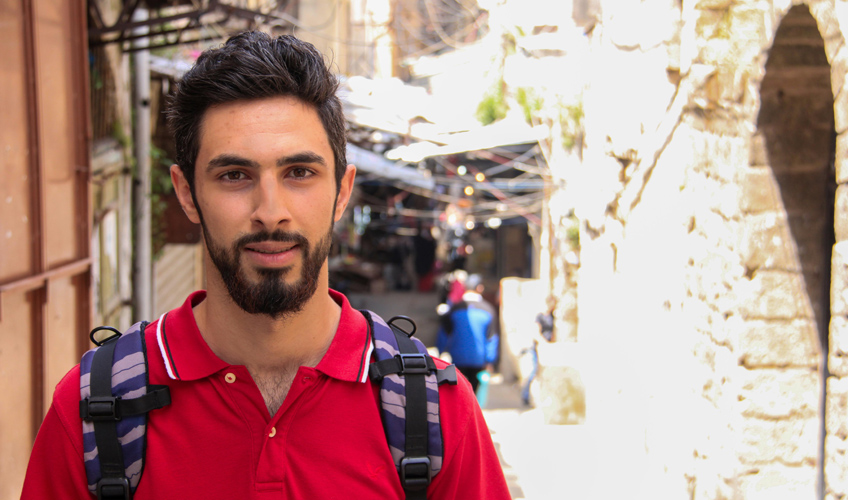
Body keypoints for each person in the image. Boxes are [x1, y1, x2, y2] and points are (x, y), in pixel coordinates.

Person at [21, 32, 510, 499]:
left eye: (299, 172)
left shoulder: (434, 413)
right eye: (235, 175)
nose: (270, 209)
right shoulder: (94, 412)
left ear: (341, 190)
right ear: (187, 194)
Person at [436, 274, 499, 393]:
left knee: (460, 392)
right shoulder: (488, 309)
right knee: (473, 394)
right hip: (478, 360)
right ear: (480, 288)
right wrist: (490, 361)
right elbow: (492, 338)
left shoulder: (454, 308)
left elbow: (444, 333)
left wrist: (440, 353)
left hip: (457, 358)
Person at [521, 295, 556, 406]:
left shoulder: (552, 316)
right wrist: (543, 342)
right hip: (538, 347)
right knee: (533, 372)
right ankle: (525, 395)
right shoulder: (540, 316)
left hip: (548, 347)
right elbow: (536, 331)